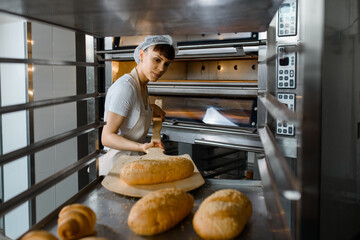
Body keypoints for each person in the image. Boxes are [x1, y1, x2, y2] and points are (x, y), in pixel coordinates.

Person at [99, 35, 176, 176]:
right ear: (142, 54)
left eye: (166, 64)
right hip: (114, 166)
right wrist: (142, 147)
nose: (161, 68)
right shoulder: (126, 87)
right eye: (157, 60)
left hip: (128, 163)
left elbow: (132, 112)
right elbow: (107, 137)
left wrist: (151, 107)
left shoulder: (142, 85)